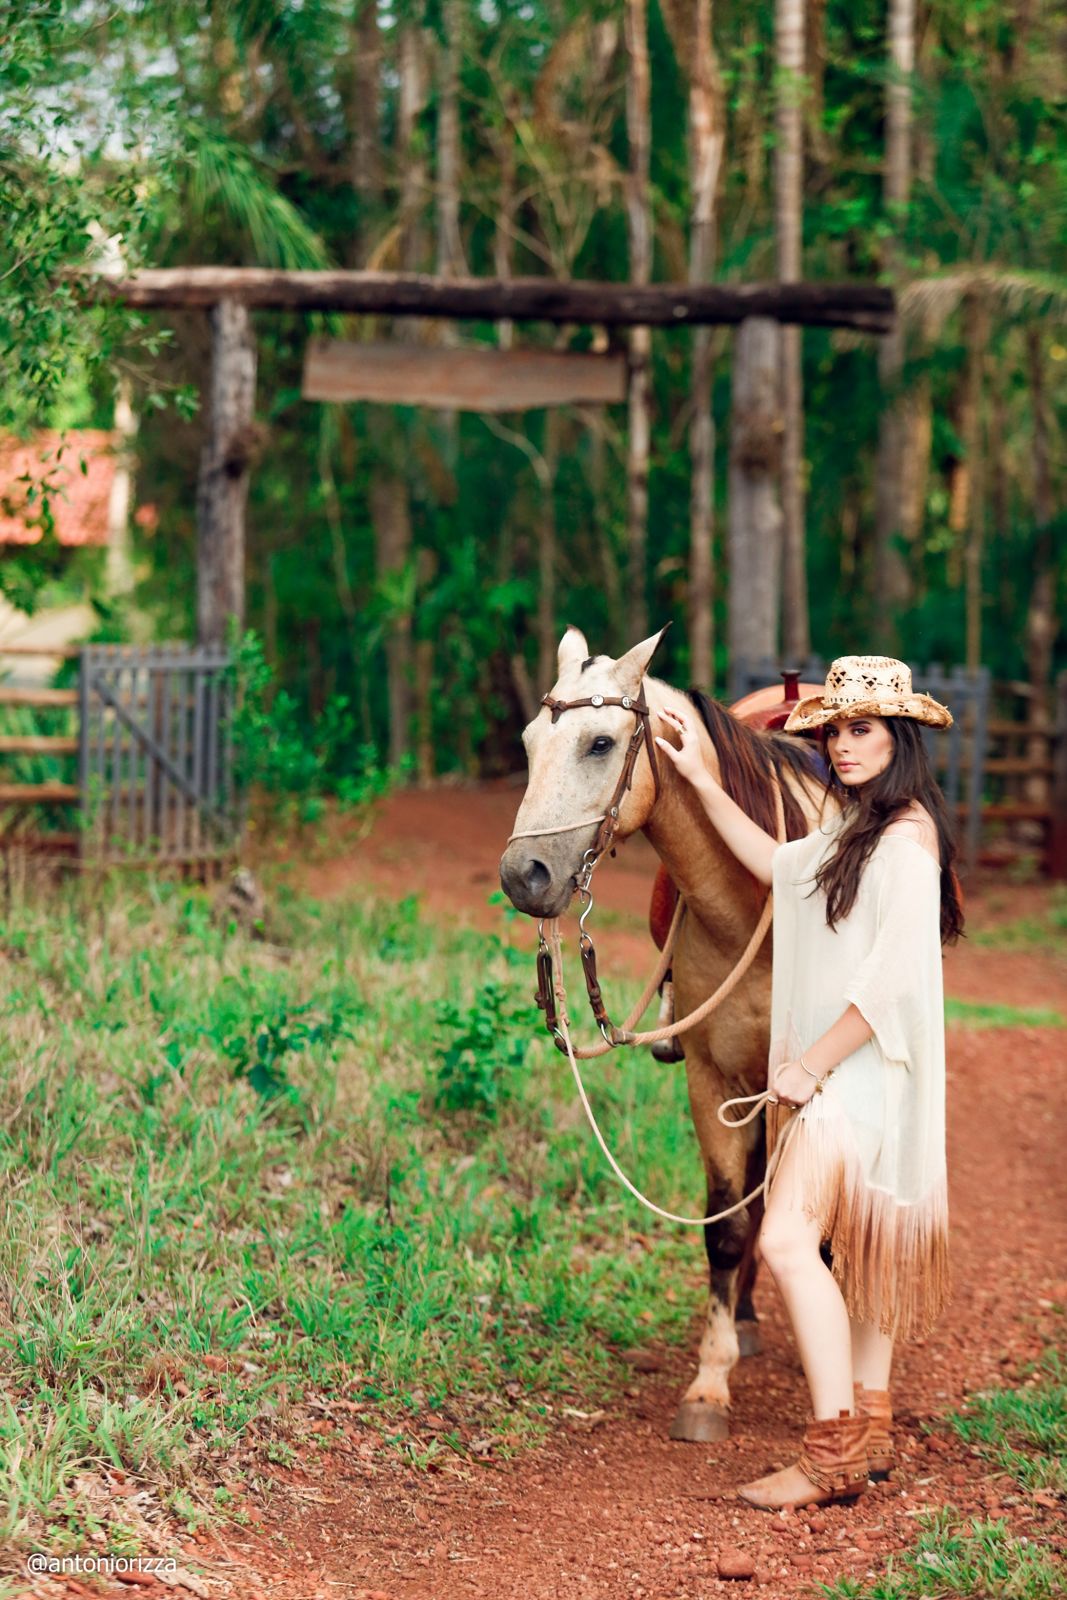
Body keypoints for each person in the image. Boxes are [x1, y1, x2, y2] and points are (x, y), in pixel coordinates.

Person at [653, 655, 963, 1511]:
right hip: (855, 1078)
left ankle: (830, 1452)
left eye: (860, 729)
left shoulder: (903, 845)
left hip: (859, 1079)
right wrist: (699, 779)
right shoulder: (861, 829)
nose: (841, 746)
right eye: (832, 733)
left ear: (899, 738)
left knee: (788, 1241)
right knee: (857, 1250)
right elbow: (773, 864)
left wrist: (805, 1065)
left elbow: (888, 986)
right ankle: (869, 1428)